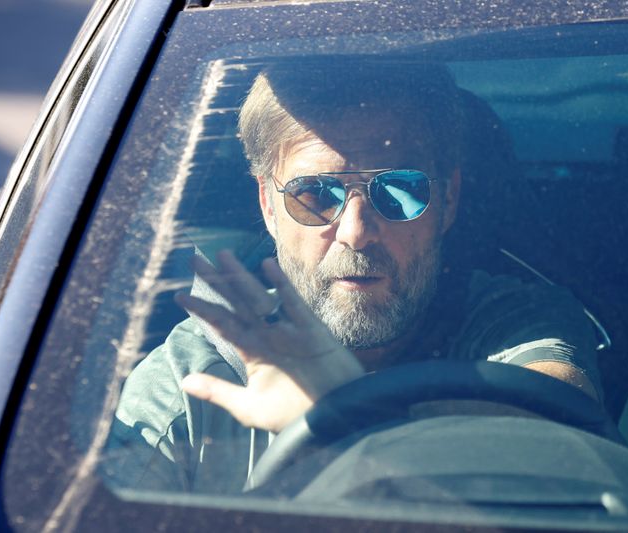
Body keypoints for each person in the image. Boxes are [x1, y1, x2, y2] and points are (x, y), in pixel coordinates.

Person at [104, 59, 602, 493]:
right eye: (315, 194)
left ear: (449, 200)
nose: (357, 232)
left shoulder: (515, 323)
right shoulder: (190, 387)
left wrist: (338, 419)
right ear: (267, 205)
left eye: (400, 191)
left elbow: (566, 440)